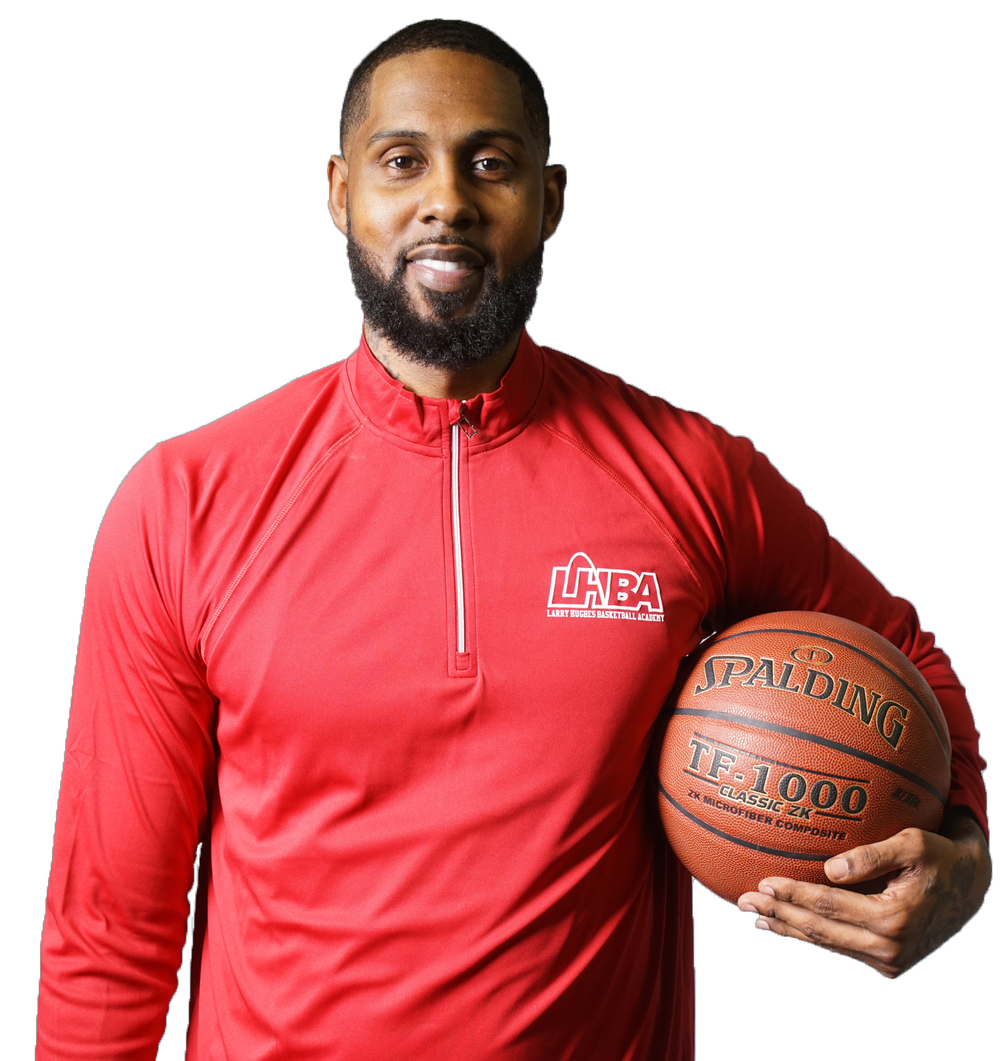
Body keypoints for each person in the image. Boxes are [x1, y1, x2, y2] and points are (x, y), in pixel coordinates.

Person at [37, 18, 990, 1061]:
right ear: (341, 193)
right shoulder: (184, 500)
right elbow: (109, 926)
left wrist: (964, 853)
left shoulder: (692, 472)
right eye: (403, 161)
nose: (447, 199)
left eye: (491, 163)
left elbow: (908, 653)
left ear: (551, 199)